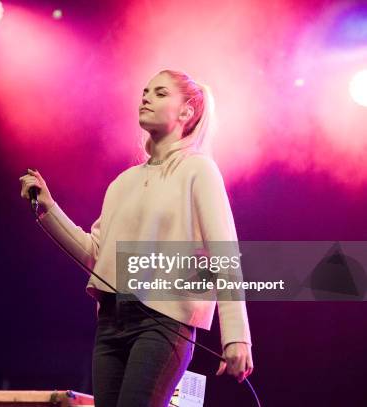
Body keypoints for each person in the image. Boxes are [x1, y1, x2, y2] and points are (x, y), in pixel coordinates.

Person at [19, 70, 253, 406]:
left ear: (186, 112)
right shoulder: (123, 182)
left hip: (164, 323)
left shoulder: (198, 170)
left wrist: (236, 337)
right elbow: (95, 254)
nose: (145, 97)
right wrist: (49, 208)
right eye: (145, 91)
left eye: (159, 93)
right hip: (112, 323)